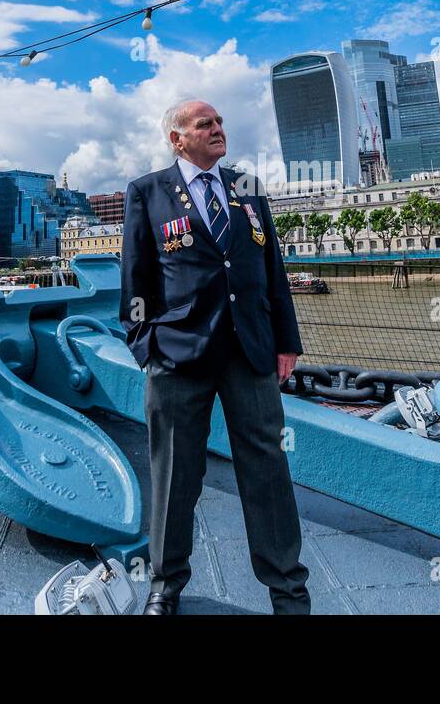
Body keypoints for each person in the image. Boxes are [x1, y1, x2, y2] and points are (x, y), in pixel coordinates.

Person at [119, 99, 310, 615]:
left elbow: (272, 266)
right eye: (206, 124)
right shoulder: (147, 191)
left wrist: (285, 340)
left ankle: (289, 590)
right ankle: (165, 585)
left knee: (266, 470)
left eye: (221, 122)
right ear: (177, 139)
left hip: (249, 349)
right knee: (175, 475)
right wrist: (146, 345)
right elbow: (136, 279)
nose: (218, 129)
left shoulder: (247, 186)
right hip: (179, 355)